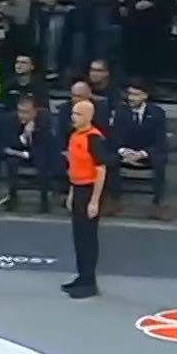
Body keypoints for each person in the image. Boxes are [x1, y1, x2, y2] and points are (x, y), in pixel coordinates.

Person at [62, 100, 108, 300]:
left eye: (79, 114)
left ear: (89, 116)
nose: (74, 117)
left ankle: (89, 282)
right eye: (73, 113)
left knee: (88, 237)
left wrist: (94, 200)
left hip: (90, 190)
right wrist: (72, 192)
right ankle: (82, 277)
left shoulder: (94, 139)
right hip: (78, 188)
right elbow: (74, 167)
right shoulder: (74, 136)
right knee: (79, 236)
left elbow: (101, 170)